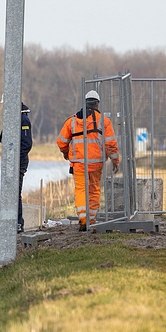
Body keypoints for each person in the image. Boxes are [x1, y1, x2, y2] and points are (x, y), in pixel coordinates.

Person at [56, 90, 120, 230]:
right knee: (94, 190)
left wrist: (66, 153)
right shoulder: (104, 120)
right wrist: (115, 161)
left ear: (85, 103)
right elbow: (110, 144)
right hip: (96, 164)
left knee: (81, 190)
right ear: (97, 104)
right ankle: (91, 220)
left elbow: (61, 142)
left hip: (78, 164)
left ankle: (83, 220)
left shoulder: (72, 121)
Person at [0, 102, 33, 233]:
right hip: (11, 161)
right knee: (11, 192)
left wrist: (14, 159)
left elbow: (27, 144)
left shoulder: (23, 120)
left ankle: (18, 224)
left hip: (18, 162)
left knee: (14, 193)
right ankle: (12, 222)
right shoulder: (11, 119)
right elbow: (3, 138)